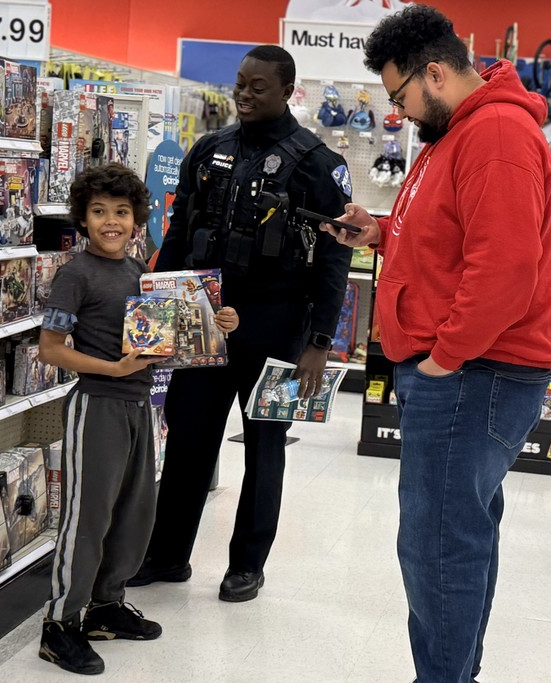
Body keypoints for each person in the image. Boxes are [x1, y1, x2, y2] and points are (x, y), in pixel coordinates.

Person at [320, 7, 551, 682]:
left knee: (436, 546)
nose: (397, 112)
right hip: (464, 371)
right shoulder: (458, 131)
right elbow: (451, 241)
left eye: (400, 96)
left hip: (471, 372)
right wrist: (378, 232)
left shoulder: (492, 134)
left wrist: (443, 357)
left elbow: (506, 267)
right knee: (458, 536)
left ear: (436, 72)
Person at [130, 45, 352, 603]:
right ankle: (167, 555)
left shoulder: (319, 165)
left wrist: (320, 343)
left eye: (258, 86)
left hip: (279, 331)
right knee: (188, 441)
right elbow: (179, 235)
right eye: (240, 84)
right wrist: (161, 315)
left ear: (287, 91)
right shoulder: (209, 150)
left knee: (265, 449)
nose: (244, 94)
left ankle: (246, 566)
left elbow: (333, 261)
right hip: (203, 323)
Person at [38, 163, 240, 675]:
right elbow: (51, 350)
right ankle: (60, 626)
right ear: (82, 220)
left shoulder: (139, 274)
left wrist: (217, 324)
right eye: (99, 212)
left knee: (132, 513)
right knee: (88, 518)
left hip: (138, 406)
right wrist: (111, 367)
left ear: (137, 219)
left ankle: (106, 606)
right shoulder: (75, 274)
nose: (112, 222)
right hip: (98, 405)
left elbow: (168, 343)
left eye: (122, 213)